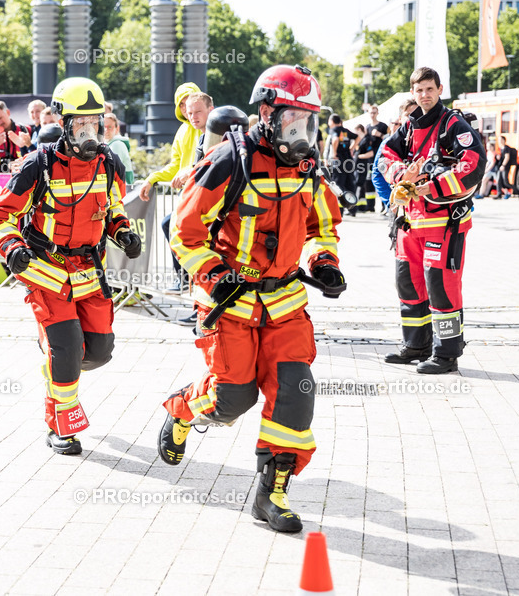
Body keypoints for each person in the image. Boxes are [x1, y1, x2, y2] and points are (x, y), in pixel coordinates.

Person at [158, 64, 345, 534]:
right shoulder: (229, 161)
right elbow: (185, 230)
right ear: (267, 112)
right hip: (232, 305)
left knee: (297, 394)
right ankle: (183, 411)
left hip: (285, 305)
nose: (302, 131)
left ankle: (271, 494)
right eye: (293, 120)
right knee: (230, 399)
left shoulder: (306, 167)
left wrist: (322, 259)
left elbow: (322, 225)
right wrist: (214, 273)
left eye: (309, 121)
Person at [0, 77, 141, 456]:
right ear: (65, 122)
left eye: (96, 124)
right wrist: (12, 247)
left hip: (88, 269)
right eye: (81, 125)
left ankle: (58, 363)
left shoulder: (108, 163)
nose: (90, 133)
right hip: (46, 268)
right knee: (68, 347)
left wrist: (123, 231)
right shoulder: (37, 166)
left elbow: (113, 205)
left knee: (100, 349)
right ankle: (61, 426)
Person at [381, 66, 486, 375]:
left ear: (440, 90)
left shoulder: (453, 124)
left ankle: (447, 354)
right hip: (409, 224)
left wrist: (434, 185)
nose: (424, 95)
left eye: (429, 89)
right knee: (408, 285)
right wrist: (403, 173)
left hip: (444, 225)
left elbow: (475, 162)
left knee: (441, 287)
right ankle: (415, 345)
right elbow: (385, 155)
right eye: (419, 90)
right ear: (412, 93)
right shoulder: (409, 126)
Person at [137, 82, 202, 292]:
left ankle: (191, 283)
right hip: (189, 196)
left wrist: (189, 170)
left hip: (205, 195)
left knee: (174, 228)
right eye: (182, 104)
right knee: (171, 226)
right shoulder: (183, 130)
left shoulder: (208, 125)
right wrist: (152, 179)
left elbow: (213, 157)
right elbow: (175, 165)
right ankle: (185, 280)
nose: (186, 108)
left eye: (189, 101)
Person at [373, 100, 417, 214]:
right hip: (400, 209)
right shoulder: (389, 143)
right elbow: (377, 176)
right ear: (400, 118)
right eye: (407, 115)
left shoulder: (428, 139)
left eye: (416, 113)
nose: (412, 118)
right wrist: (391, 202)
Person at [327, 114, 357, 216]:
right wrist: (352, 147)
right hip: (348, 161)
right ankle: (352, 209)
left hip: (339, 162)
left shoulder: (334, 129)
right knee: (350, 184)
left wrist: (334, 153)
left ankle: (339, 211)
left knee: (338, 185)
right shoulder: (345, 131)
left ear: (331, 121)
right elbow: (358, 136)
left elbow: (335, 140)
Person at [103, 113, 134, 185]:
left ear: (117, 129)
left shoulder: (117, 145)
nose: (106, 130)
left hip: (120, 189)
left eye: (110, 127)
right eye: (104, 126)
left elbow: (112, 171)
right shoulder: (110, 144)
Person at [352, 123, 377, 213]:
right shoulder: (358, 140)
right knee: (360, 186)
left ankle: (355, 206)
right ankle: (361, 207)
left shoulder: (366, 140)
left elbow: (370, 153)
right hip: (357, 166)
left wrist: (358, 156)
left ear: (359, 130)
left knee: (359, 185)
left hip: (363, 166)